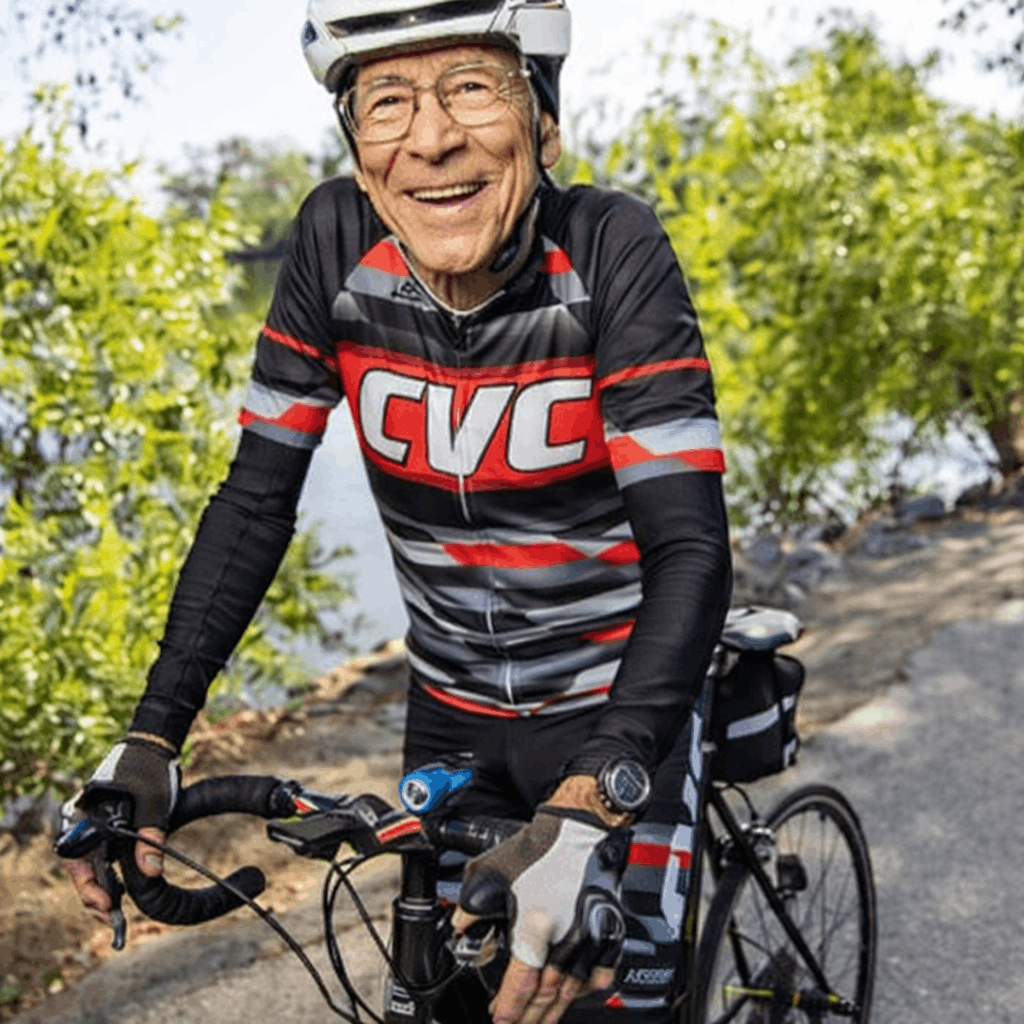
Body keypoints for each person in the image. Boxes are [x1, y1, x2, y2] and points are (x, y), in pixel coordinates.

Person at [66, 3, 732, 1022]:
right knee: (443, 995)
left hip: (612, 702)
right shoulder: (334, 242)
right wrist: (152, 737)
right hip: (451, 710)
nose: (430, 139)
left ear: (540, 123)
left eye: (470, 87)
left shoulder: (608, 246)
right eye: (386, 101)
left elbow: (687, 547)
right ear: (357, 149)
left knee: (614, 998)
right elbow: (254, 502)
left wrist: (599, 793)